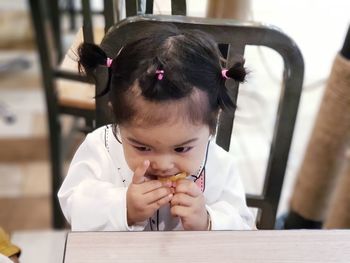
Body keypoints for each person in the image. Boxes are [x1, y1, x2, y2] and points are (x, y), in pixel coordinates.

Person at [58, 24, 255, 231]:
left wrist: (207, 222)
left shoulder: (220, 166)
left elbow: (244, 226)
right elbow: (72, 202)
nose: (162, 164)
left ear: (213, 123)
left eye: (181, 149)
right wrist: (122, 207)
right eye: (142, 148)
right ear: (117, 117)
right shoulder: (101, 149)